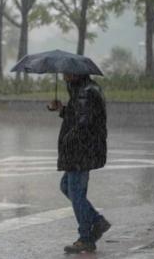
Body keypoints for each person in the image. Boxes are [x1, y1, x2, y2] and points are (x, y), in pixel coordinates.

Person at [48, 74, 111, 253]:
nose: (62, 75)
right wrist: (62, 109)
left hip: (80, 151)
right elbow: (79, 115)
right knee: (67, 186)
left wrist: (69, 138)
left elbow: (83, 122)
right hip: (82, 150)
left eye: (66, 72)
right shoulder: (83, 90)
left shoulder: (85, 93)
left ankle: (86, 238)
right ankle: (96, 220)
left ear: (76, 73)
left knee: (75, 192)